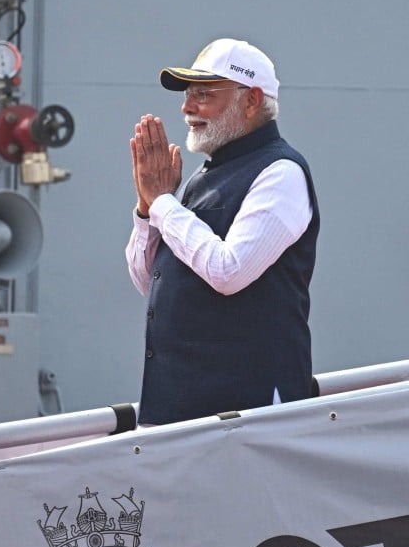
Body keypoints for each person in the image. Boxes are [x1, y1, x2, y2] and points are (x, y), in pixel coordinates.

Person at [126, 38, 320, 425]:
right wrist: (147, 210)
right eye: (188, 94)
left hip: (249, 409)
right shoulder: (204, 177)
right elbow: (150, 282)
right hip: (183, 403)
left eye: (203, 94)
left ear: (251, 101)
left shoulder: (281, 173)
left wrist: (164, 202)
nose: (186, 108)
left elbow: (229, 272)